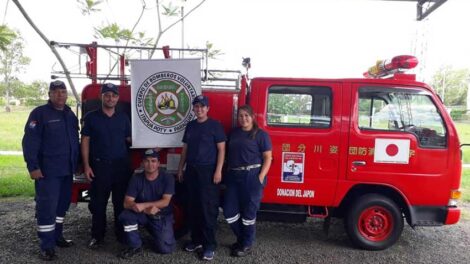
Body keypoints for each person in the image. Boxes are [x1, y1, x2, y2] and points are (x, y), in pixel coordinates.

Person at [22, 80, 80, 261]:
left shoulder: (70, 115)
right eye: (55, 92)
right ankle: (46, 246)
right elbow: (30, 143)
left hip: (66, 171)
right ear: (49, 94)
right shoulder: (39, 114)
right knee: (47, 207)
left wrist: (77, 164)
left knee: (62, 206)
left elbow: (74, 142)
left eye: (63, 91)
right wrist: (33, 167)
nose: (60, 95)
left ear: (66, 95)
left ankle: (57, 236)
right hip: (48, 172)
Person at [81, 83, 132, 249]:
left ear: (117, 98)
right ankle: (97, 236)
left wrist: (153, 144)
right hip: (99, 167)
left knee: (120, 204)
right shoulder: (90, 117)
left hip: (121, 167)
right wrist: (86, 165)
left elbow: (130, 139)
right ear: (101, 97)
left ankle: (121, 235)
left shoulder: (124, 118)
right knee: (98, 204)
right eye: (107, 95)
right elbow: (85, 141)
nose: (110, 98)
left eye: (113, 95)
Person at [177, 95, 226, 261]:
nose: (199, 109)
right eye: (196, 107)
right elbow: (185, 149)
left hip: (208, 172)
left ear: (208, 108)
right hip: (191, 170)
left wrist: (218, 171)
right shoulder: (190, 126)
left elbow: (221, 150)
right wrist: (180, 168)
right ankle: (196, 240)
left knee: (208, 209)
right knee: (193, 207)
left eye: (202, 107)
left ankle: (209, 245)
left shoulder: (215, 126)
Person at [223, 104, 272, 257]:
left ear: (252, 117)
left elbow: (268, 158)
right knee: (229, 211)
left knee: (249, 214)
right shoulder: (233, 133)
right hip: (233, 176)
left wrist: (260, 177)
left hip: (252, 176)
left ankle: (246, 244)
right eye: (240, 116)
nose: (243, 118)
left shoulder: (261, 135)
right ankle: (242, 238)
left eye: (246, 115)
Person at [118, 149, 176, 259]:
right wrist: (145, 210)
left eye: (153, 161)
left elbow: (165, 202)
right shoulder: (136, 178)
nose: (150, 164)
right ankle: (135, 245)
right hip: (143, 214)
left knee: (165, 249)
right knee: (126, 215)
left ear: (159, 163)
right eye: (147, 161)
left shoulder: (167, 178)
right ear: (142, 163)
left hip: (161, 216)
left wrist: (143, 206)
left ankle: (152, 238)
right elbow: (127, 203)